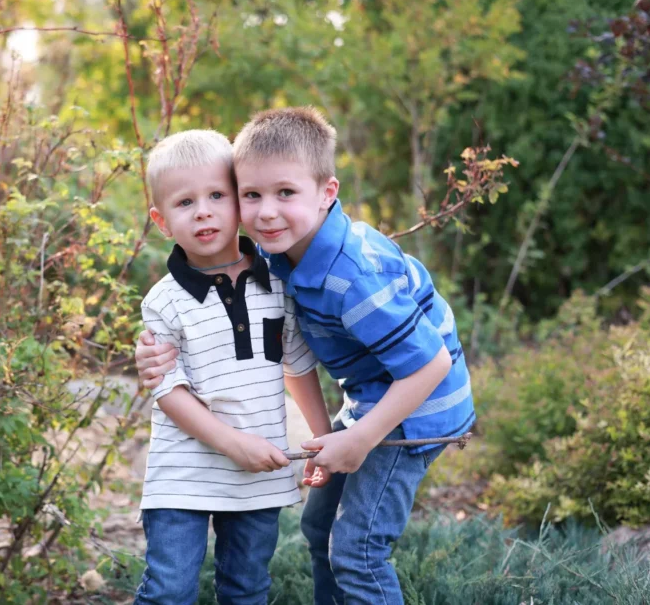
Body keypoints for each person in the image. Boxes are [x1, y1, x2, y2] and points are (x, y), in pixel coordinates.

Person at [135, 108, 475, 605]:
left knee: (357, 550)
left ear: (327, 193)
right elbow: (282, 351)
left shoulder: (351, 274)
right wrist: (330, 436)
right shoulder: (275, 253)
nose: (267, 212)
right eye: (252, 195)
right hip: (372, 396)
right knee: (319, 530)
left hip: (420, 406)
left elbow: (431, 364)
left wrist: (357, 439)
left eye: (285, 193)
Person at [133, 129, 334, 605]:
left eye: (217, 196)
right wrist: (232, 444)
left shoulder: (277, 278)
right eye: (185, 203)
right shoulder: (163, 301)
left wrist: (320, 438)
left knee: (246, 589)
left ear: (240, 203)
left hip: (258, 476)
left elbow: (298, 366)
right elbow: (168, 391)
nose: (203, 211)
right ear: (161, 221)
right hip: (183, 475)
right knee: (169, 589)